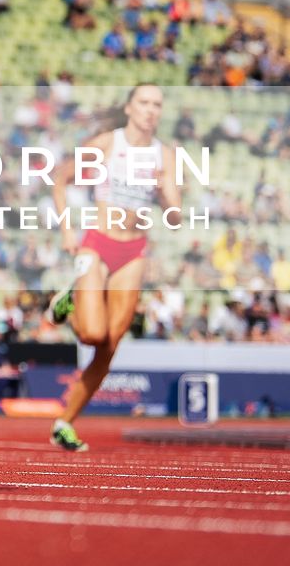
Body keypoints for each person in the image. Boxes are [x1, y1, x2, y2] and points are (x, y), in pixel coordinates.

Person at [45, 84, 181, 451]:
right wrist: (67, 230)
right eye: (144, 103)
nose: (151, 110)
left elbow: (175, 216)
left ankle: (64, 423)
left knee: (109, 344)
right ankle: (70, 299)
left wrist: (165, 192)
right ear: (129, 107)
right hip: (98, 243)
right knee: (90, 333)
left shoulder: (164, 155)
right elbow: (60, 179)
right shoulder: (109, 143)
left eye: (157, 104)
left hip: (133, 250)